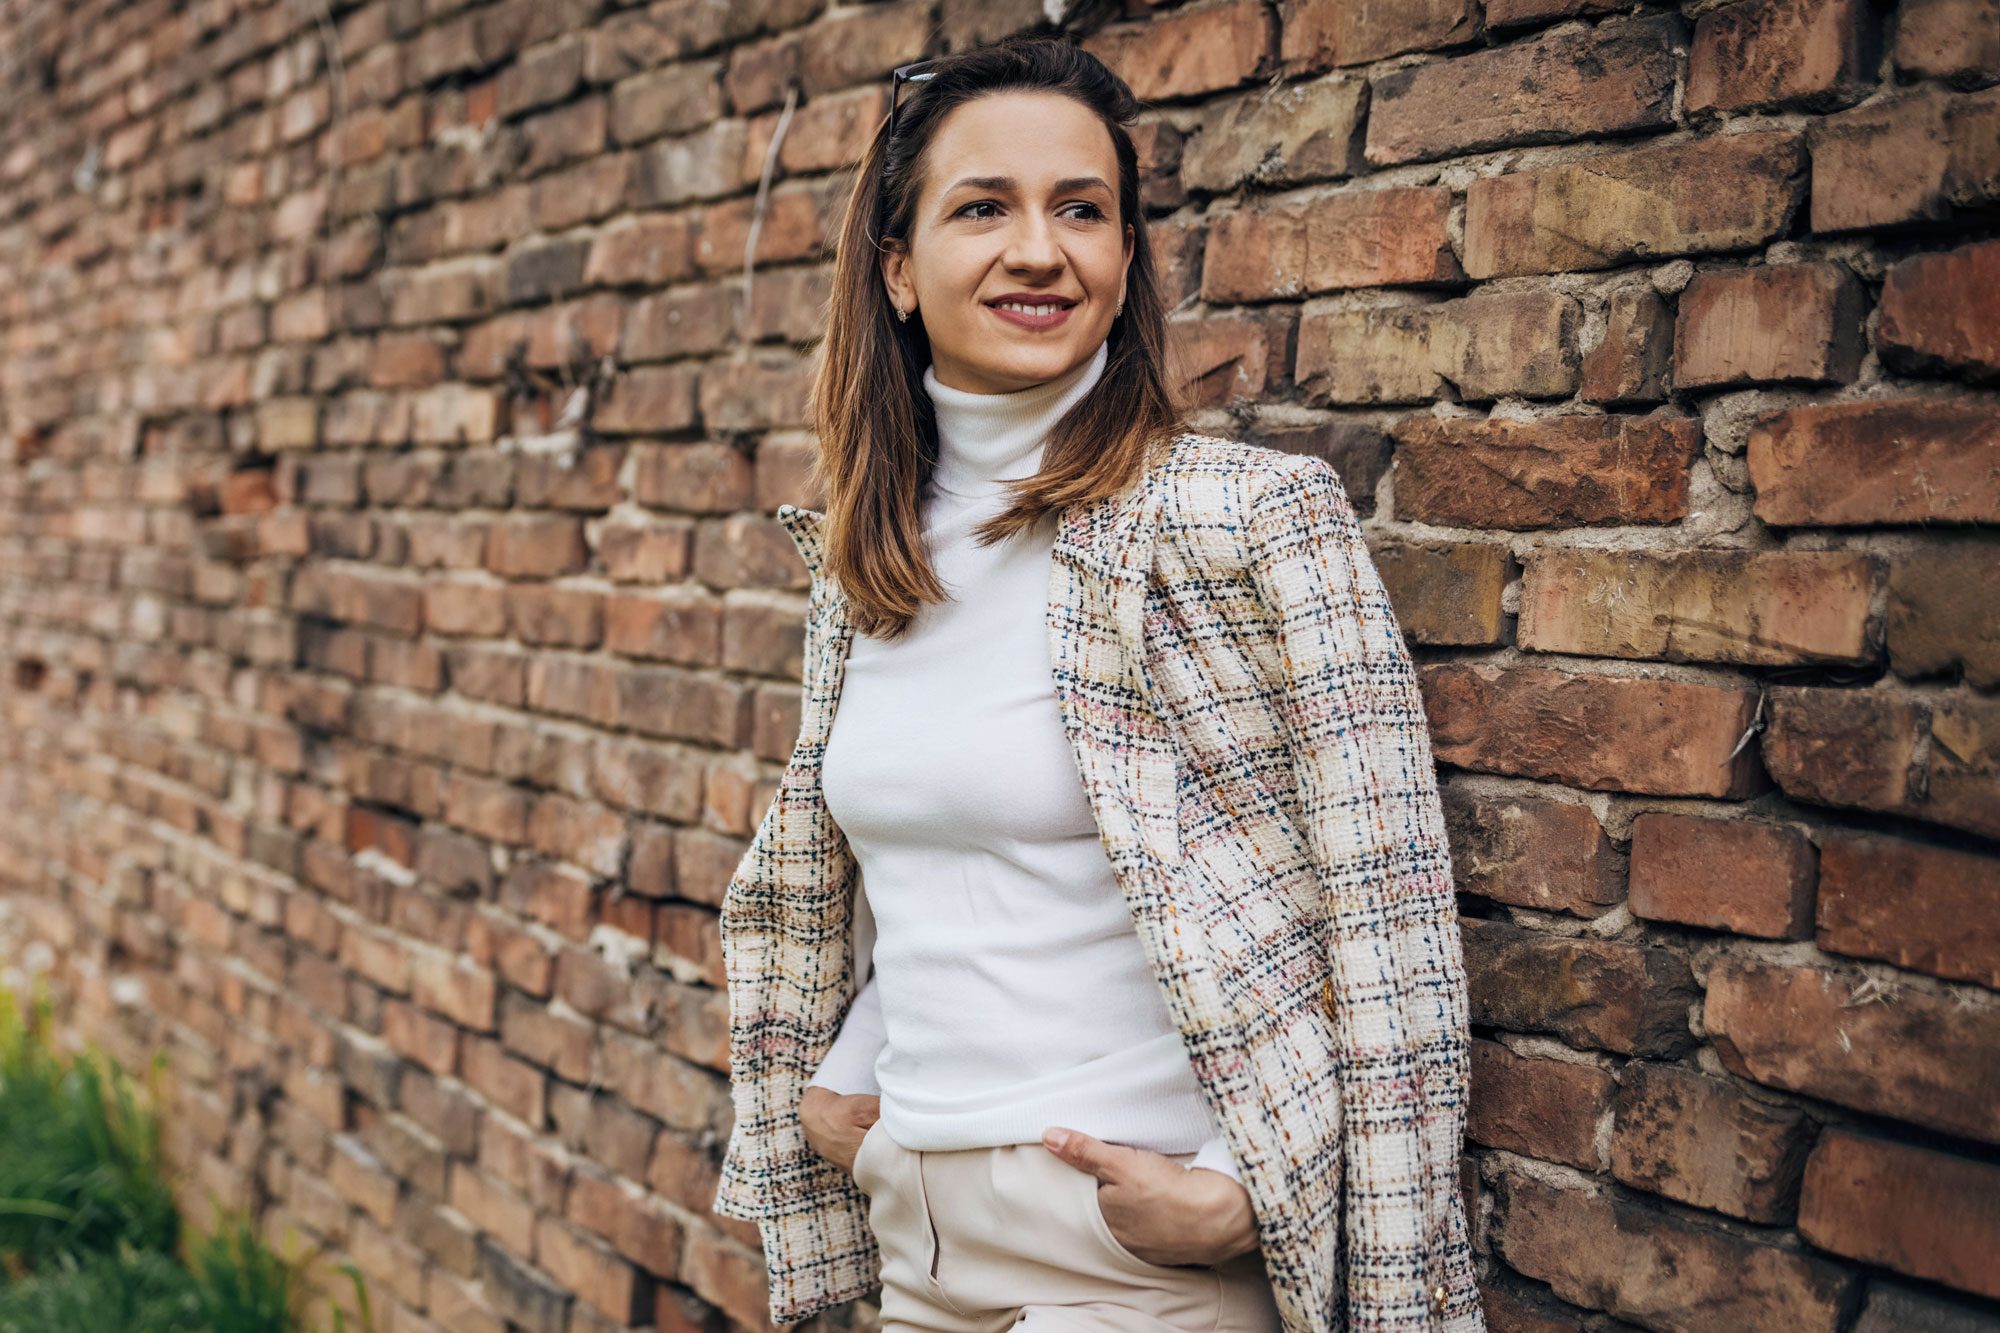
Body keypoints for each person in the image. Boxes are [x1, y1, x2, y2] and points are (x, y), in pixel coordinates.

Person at [711, 36, 1482, 1333]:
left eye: (1082, 209)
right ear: (897, 269)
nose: (1038, 249)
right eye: (982, 208)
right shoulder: (863, 566)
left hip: (1136, 1260)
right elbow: (936, 866)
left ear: (1125, 261)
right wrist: (844, 1084)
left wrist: (1241, 1190)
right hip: (920, 1246)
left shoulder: (1249, 522)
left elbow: (1390, 922)